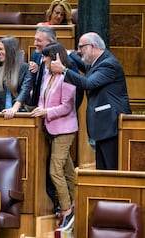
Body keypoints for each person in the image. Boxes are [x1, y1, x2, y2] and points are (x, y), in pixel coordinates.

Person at [50, 32, 132, 170]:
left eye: (81, 47)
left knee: (111, 169)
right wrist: (66, 52)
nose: (78, 50)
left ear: (92, 46)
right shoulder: (97, 61)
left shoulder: (108, 64)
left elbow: (88, 83)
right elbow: (82, 63)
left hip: (111, 126)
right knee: (102, 169)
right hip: (103, 126)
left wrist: (63, 70)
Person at [31, 42, 78, 230]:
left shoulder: (67, 77)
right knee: (67, 170)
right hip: (51, 128)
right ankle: (78, 202)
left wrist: (45, 112)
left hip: (65, 130)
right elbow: (42, 98)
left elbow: (66, 107)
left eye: (46, 57)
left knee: (55, 170)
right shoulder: (48, 75)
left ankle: (67, 210)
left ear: (55, 57)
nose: (43, 60)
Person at [0, 36, 32, 119]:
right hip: (2, 115)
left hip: (20, 115)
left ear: (10, 50)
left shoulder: (25, 68)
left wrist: (14, 109)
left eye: (1, 49)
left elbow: (25, 90)